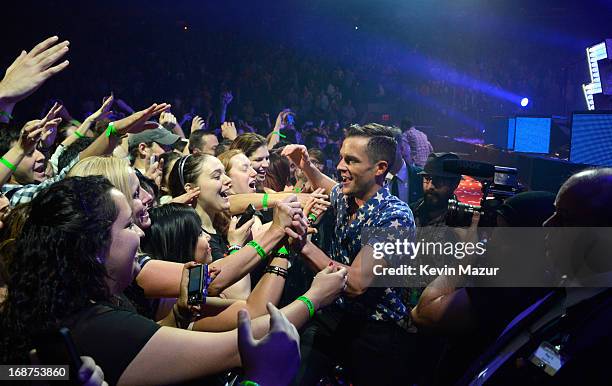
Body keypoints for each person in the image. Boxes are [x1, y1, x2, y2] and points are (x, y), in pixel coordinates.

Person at [0, 176, 347, 385]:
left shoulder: (65, 309)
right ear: (94, 248)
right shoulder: (99, 327)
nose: (140, 232)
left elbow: (19, 374)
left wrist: (177, 318)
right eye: (127, 226)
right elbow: (238, 345)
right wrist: (315, 298)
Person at [283, 123, 420, 385]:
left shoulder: (395, 217)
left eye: (351, 161)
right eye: (341, 157)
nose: (339, 166)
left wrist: (303, 245)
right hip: (333, 314)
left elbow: (356, 283)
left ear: (380, 168)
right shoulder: (348, 197)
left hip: (374, 329)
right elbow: (329, 184)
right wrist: (307, 166)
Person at [459, 169, 612, 385]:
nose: (547, 225)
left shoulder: (602, 331)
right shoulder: (558, 291)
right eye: (554, 212)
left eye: (565, 218)